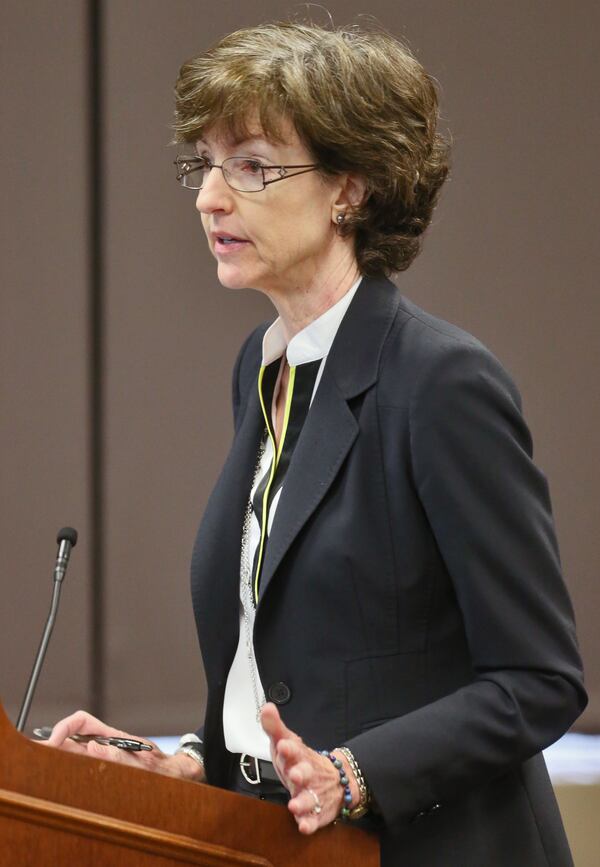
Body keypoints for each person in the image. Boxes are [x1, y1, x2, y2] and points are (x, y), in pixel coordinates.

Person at [45, 21, 586, 866]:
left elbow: (540, 680)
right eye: (205, 164)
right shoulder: (263, 372)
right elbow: (294, 668)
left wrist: (353, 771)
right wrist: (190, 758)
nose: (209, 197)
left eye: (253, 166)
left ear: (351, 188)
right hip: (283, 844)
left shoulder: (441, 383)